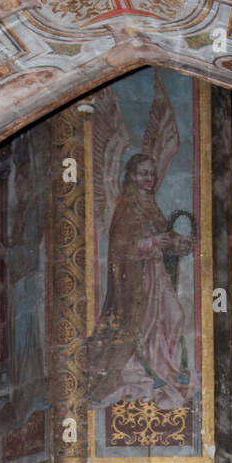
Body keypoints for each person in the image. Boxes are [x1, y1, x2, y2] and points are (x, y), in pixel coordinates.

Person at [87, 152, 193, 410]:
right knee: (142, 326)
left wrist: (177, 241)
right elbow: (120, 248)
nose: (149, 178)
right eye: (143, 173)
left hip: (157, 274)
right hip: (137, 281)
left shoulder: (150, 204)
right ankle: (144, 373)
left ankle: (164, 368)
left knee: (175, 316)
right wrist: (152, 243)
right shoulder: (127, 207)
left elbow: (162, 234)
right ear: (132, 176)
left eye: (151, 173)